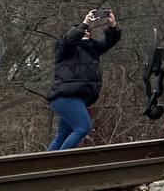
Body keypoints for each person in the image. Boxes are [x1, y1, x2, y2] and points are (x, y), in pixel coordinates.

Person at [46, 9, 122, 151]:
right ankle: (60, 161)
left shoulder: (92, 50)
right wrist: (85, 23)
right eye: (83, 33)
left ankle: (45, 163)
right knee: (83, 127)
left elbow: (109, 41)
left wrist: (112, 25)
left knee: (63, 135)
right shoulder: (66, 50)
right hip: (65, 97)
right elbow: (69, 39)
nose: (86, 34)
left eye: (88, 32)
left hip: (76, 98)